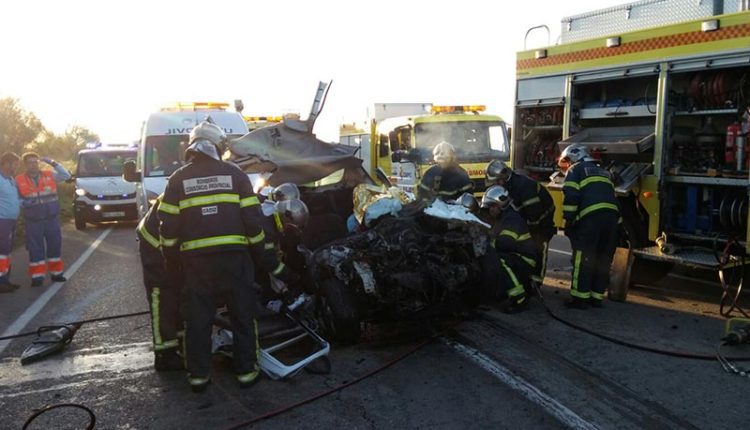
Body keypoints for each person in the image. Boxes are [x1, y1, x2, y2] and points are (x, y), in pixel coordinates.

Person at [158, 121, 287, 393]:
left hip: (196, 265)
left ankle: (199, 377)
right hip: (235, 262)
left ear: (191, 147)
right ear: (218, 146)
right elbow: (253, 224)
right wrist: (265, 260)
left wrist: (172, 261)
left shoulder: (177, 179)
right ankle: (246, 373)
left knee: (198, 320)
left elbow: (167, 228)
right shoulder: (236, 175)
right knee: (242, 316)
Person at [559, 144, 620, 309]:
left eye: (567, 161)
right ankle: (596, 297)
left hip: (591, 220)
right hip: (612, 220)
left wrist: (569, 220)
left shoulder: (576, 169)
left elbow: (571, 196)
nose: (567, 165)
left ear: (574, 157)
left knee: (583, 259)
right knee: (603, 259)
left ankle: (579, 298)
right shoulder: (603, 171)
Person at [485, 160, 555, 286]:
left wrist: (530, 231)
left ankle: (536, 282)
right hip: (529, 216)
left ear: (503, 177)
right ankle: (524, 276)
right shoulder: (509, 185)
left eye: (496, 181)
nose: (496, 184)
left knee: (539, 247)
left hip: (542, 221)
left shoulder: (523, 185)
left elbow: (534, 212)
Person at [136, 195, 183, 371]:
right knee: (162, 298)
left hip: (172, 245)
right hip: (155, 245)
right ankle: (165, 354)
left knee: (180, 294)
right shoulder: (183, 188)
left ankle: (180, 343)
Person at [16, 152, 71, 287]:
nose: (33, 165)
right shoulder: (19, 179)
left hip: (51, 219)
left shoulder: (49, 175)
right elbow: (16, 198)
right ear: (25, 165)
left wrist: (52, 162)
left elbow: (66, 176)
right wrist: (23, 204)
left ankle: (57, 274)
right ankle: (37, 277)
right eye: (30, 162)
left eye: (35, 162)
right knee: (35, 249)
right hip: (33, 221)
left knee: (55, 247)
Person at [480, 185, 536, 314]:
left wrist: (486, 243)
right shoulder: (502, 217)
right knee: (494, 258)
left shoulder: (512, 219)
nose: (490, 210)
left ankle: (519, 299)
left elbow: (503, 243)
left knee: (499, 261)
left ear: (500, 205)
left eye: (492, 206)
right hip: (516, 255)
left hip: (525, 259)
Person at [0, 152, 22, 293]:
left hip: (11, 221)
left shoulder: (11, 179)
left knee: (7, 252)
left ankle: (6, 280)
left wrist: (24, 202)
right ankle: (1, 282)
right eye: (14, 163)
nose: (16, 166)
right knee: (2, 253)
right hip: (2, 221)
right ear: (6, 163)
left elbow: (13, 199)